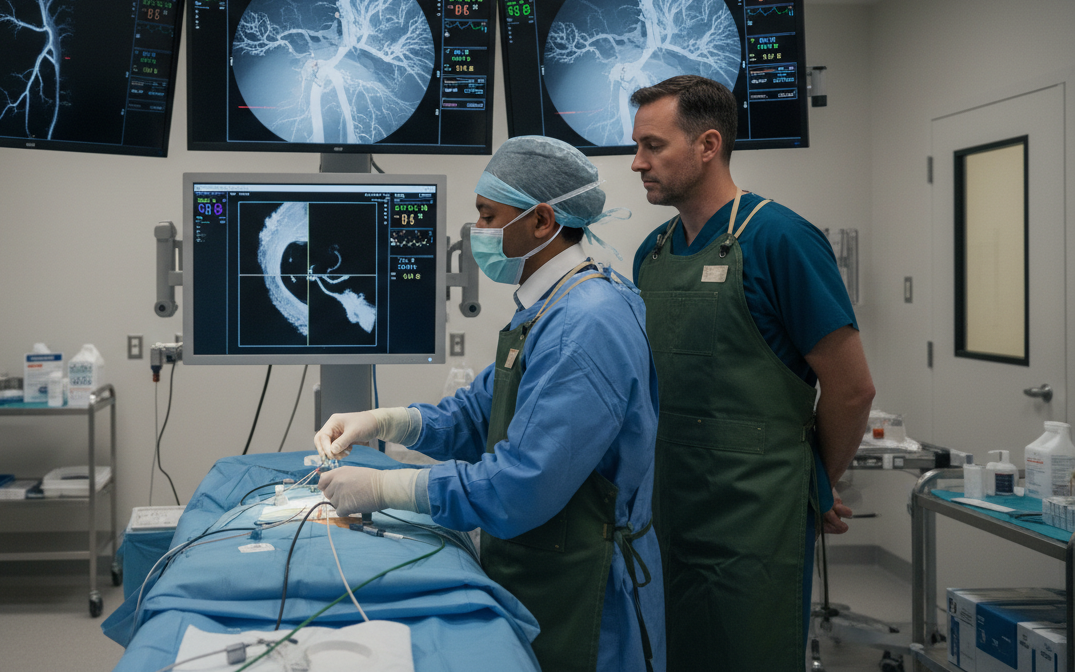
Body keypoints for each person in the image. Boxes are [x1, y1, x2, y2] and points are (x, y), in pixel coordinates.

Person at [313, 135, 665, 672]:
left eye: (487, 214)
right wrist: (387, 421)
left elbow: (521, 483)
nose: (476, 231)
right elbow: (476, 414)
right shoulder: (550, 306)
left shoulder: (585, 323)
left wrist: (386, 486)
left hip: (582, 590)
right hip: (541, 563)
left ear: (543, 221)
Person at [628, 75, 875, 671]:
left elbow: (851, 388)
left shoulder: (781, 241)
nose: (638, 163)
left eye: (653, 146)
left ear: (708, 145)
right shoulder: (651, 254)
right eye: (637, 147)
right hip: (666, 517)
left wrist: (812, 484)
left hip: (753, 529)